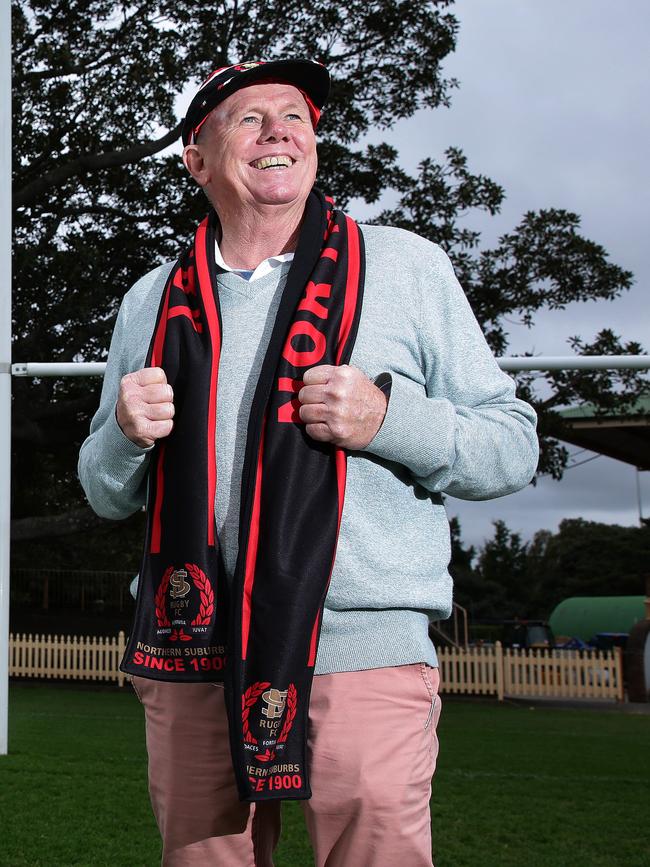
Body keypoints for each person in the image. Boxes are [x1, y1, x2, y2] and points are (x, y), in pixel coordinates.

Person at [78, 58, 538, 867]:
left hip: (361, 647)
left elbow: (511, 445)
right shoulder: (151, 298)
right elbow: (105, 491)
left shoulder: (403, 265)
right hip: (194, 647)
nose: (279, 131)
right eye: (249, 118)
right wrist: (122, 433)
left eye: (294, 115)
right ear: (197, 157)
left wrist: (390, 419)